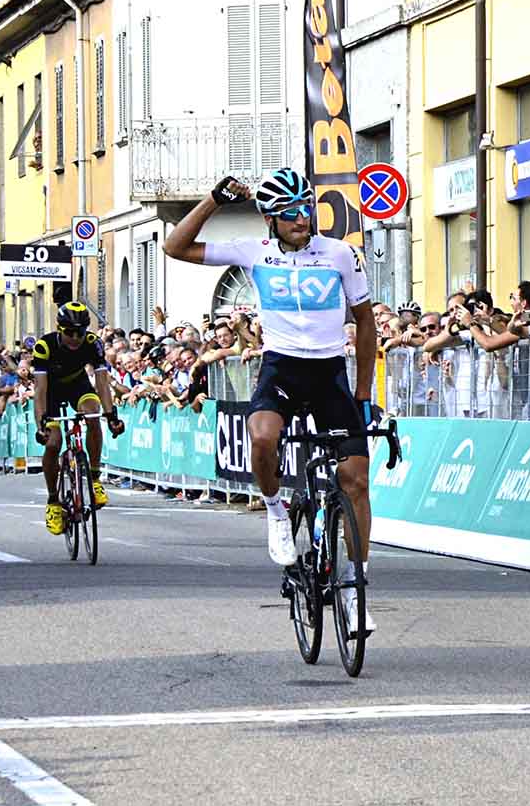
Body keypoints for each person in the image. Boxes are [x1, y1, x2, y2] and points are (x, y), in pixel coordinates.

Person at [162, 167, 379, 638]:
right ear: (270, 220)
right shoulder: (252, 252)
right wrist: (213, 200)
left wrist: (363, 394)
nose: (302, 220)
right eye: (290, 214)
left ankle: (352, 584)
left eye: (306, 209)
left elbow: (366, 323)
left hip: (329, 373)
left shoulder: (341, 254)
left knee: (355, 480)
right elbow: (174, 247)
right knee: (262, 437)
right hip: (281, 367)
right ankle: (277, 513)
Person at [32, 302, 125, 535]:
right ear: (59, 329)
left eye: (80, 333)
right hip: (51, 391)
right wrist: (41, 423)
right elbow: (40, 391)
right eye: (69, 333)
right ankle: (53, 502)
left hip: (77, 385)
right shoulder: (45, 346)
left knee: (93, 415)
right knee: (53, 444)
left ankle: (94, 478)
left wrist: (111, 414)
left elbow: (102, 383)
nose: (75, 338)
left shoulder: (94, 344)